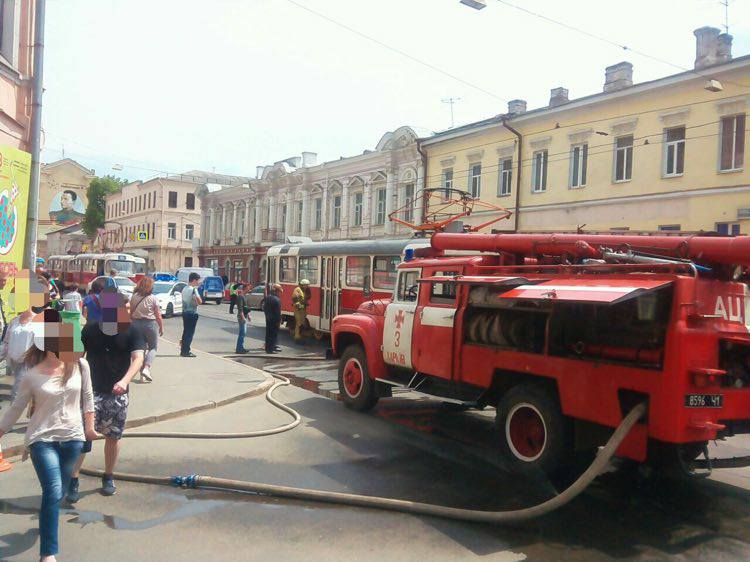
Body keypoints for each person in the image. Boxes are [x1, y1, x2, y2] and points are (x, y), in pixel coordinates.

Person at [0, 309, 97, 562]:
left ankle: (46, 522)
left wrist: (89, 428)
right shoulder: (32, 375)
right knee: (53, 491)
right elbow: (16, 409)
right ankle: (48, 553)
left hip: (73, 438)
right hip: (42, 439)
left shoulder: (80, 366)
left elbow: (88, 398)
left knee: (58, 492)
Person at [73, 288, 146, 497]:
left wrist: (124, 380)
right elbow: (78, 356)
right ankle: (73, 479)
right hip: (90, 391)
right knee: (82, 436)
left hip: (118, 393)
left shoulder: (132, 330)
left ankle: (108, 475)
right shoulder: (90, 329)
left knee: (113, 436)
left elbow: (138, 359)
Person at [129, 277, 164, 382]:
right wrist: (161, 327)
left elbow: (130, 312)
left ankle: (141, 376)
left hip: (135, 324)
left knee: (140, 350)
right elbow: (158, 315)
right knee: (153, 348)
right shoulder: (153, 298)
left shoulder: (134, 296)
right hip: (149, 324)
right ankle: (147, 368)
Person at [180, 272, 202, 357]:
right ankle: (186, 351)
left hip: (184, 312)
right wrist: (197, 300)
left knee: (185, 332)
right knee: (190, 333)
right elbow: (200, 301)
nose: (198, 283)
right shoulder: (193, 290)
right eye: (197, 281)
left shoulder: (184, 288)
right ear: (193, 280)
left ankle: (183, 350)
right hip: (192, 313)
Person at [264, 284, 282, 354]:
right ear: (277, 291)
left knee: (268, 334)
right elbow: (278, 312)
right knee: (273, 334)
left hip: (268, 318)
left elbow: (265, 308)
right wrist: (279, 320)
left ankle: (268, 348)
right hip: (274, 320)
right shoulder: (277, 300)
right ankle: (270, 349)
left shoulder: (268, 297)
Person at [291, 279, 311, 343]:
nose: (307, 286)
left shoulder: (305, 290)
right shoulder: (297, 289)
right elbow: (294, 298)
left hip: (303, 309)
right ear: (302, 285)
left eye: (308, 285)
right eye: (306, 285)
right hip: (298, 309)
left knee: (303, 323)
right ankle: (297, 337)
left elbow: (308, 297)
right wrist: (298, 305)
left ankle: (301, 335)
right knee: (299, 323)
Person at [235, 284, 249, 353]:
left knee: (243, 333)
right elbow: (240, 309)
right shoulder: (240, 296)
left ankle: (241, 347)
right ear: (245, 288)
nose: (249, 289)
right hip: (241, 317)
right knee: (242, 333)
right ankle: (239, 349)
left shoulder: (244, 296)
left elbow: (245, 307)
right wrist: (243, 318)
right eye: (248, 288)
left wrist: (248, 315)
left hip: (244, 316)